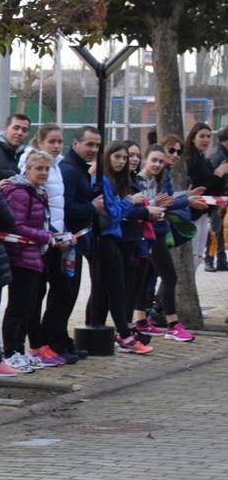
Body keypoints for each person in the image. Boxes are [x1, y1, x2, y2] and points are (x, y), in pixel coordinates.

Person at [16, 124, 73, 367]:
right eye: (52, 141)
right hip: (41, 239)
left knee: (58, 291)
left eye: (60, 141)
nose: (57, 146)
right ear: (39, 142)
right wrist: (46, 234)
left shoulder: (57, 166)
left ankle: (44, 342)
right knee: (32, 296)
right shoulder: (29, 164)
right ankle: (32, 346)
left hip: (55, 237)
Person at [92, 143, 154, 355]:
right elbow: (113, 213)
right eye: (117, 157)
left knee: (114, 289)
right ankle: (124, 335)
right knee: (114, 289)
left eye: (124, 158)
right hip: (105, 238)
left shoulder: (120, 180)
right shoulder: (104, 180)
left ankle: (117, 333)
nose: (121, 161)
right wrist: (130, 202)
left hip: (115, 237)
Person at [0, 150, 58, 371]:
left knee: (28, 307)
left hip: (35, 256)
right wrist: (45, 237)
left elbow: (41, 222)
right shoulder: (21, 193)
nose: (43, 173)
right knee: (17, 307)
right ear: (27, 169)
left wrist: (54, 235)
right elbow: (16, 226)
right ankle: (11, 351)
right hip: (21, 256)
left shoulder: (38, 192)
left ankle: (19, 349)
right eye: (39, 168)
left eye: (46, 169)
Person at [131, 145, 194, 342]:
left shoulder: (160, 180)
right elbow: (139, 206)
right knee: (170, 277)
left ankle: (140, 319)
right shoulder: (136, 181)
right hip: (147, 235)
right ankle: (173, 324)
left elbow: (167, 203)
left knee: (148, 276)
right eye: (154, 160)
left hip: (158, 232)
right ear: (145, 160)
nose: (157, 165)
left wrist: (185, 199)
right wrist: (154, 204)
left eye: (160, 161)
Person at [51, 126, 103, 359]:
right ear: (76, 144)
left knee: (69, 294)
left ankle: (61, 338)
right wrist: (92, 208)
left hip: (77, 240)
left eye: (97, 145)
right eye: (89, 144)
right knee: (63, 294)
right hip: (67, 242)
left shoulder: (81, 170)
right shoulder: (70, 171)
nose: (93, 149)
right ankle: (55, 341)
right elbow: (68, 208)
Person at [185, 123, 226, 273]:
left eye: (209, 136)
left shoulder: (203, 158)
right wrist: (218, 174)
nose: (206, 140)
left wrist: (219, 175)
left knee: (197, 256)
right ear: (192, 138)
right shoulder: (191, 160)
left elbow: (213, 188)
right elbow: (202, 188)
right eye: (202, 136)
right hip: (193, 213)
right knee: (193, 256)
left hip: (203, 213)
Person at [202, 126, 228, 272]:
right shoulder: (218, 155)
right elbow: (210, 179)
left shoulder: (224, 154)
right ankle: (209, 260)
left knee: (219, 230)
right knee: (215, 230)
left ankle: (222, 260)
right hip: (216, 199)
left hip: (223, 198)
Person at [0, 113, 30, 182]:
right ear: (6, 128)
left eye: (24, 130)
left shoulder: (27, 155)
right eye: (16, 128)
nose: (20, 133)